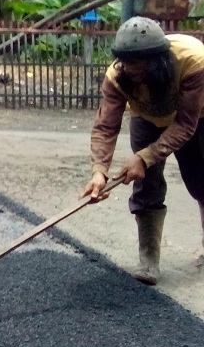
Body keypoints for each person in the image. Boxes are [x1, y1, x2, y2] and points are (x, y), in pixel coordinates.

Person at [80, 16, 204, 285]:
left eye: (138, 64)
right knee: (146, 184)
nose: (131, 70)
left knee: (201, 181)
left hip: (197, 117)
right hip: (147, 119)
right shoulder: (116, 76)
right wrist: (99, 172)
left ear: (158, 59)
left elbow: (185, 124)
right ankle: (149, 258)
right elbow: (105, 126)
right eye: (126, 62)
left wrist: (144, 157)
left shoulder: (193, 61)